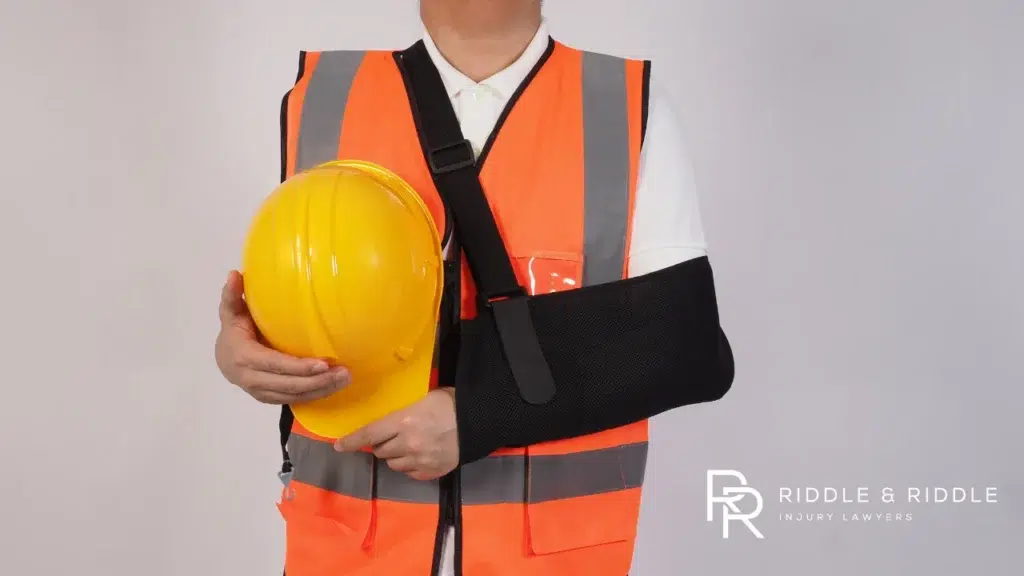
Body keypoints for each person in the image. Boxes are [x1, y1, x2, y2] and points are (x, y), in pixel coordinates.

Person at [214, 1, 734, 574]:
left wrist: (481, 414)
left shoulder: (625, 103)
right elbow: (304, 290)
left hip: (550, 557)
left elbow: (683, 345)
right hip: (348, 547)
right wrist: (242, 350)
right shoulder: (322, 96)